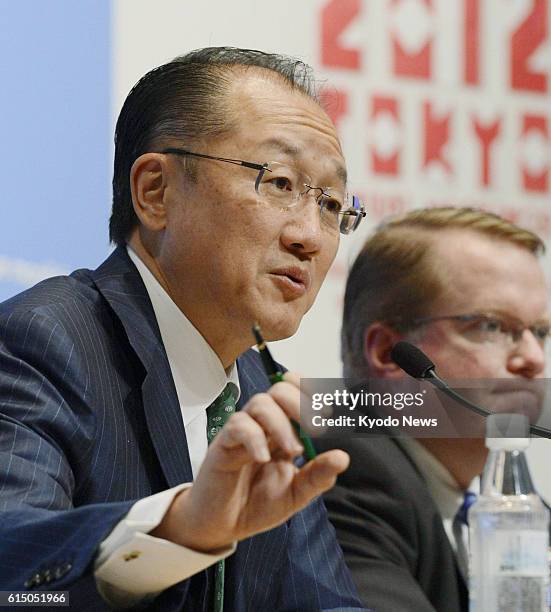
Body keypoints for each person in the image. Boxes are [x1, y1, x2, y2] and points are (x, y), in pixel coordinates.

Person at [0, 47, 367, 611]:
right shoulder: (44, 340)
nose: (310, 237)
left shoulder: (264, 393)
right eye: (280, 183)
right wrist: (178, 533)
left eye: (332, 204)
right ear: (156, 192)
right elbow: (14, 576)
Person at [316, 207, 549, 612]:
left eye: (541, 332)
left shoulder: (506, 504)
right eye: (491, 326)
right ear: (389, 353)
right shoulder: (348, 472)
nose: (533, 358)